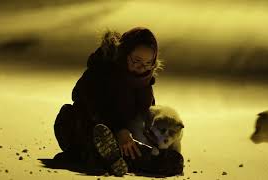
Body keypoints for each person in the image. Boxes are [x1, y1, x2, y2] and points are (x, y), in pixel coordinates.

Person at [54, 27, 184, 176]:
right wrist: (118, 129)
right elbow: (87, 100)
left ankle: (115, 159)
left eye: (148, 63)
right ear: (124, 54)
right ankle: (92, 154)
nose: (142, 68)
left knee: (168, 161)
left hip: (127, 138)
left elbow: (145, 114)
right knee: (80, 125)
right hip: (86, 126)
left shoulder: (145, 83)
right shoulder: (102, 69)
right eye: (137, 61)